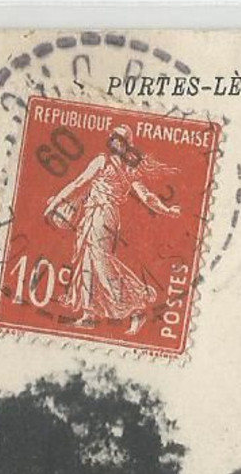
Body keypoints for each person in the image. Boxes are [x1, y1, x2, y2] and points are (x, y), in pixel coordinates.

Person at [42, 124, 182, 335]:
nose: (116, 141)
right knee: (86, 259)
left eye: (121, 139)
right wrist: (56, 204)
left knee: (101, 263)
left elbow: (146, 196)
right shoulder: (105, 161)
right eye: (114, 137)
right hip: (92, 214)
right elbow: (79, 183)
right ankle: (88, 314)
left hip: (105, 215)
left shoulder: (125, 169)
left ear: (126, 144)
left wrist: (167, 210)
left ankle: (136, 308)